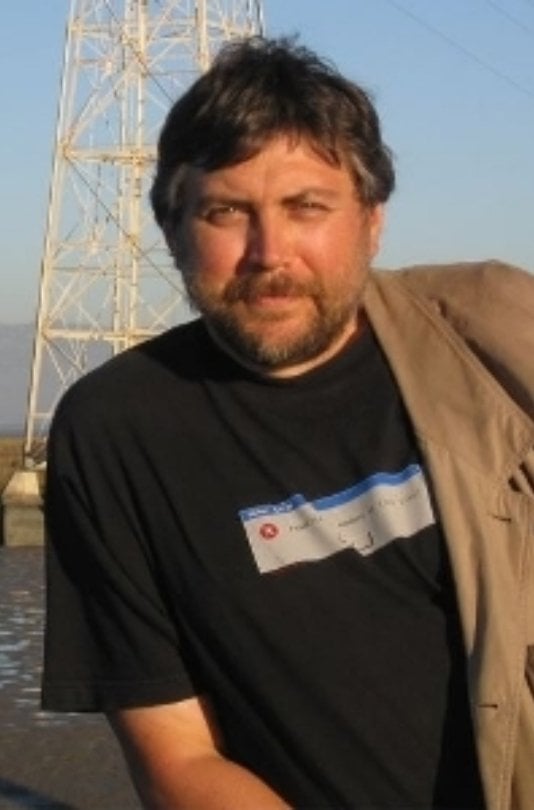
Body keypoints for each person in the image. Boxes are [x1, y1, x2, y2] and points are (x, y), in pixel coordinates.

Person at [41, 35, 534, 810]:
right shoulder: (118, 430)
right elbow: (178, 758)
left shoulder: (493, 345)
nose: (270, 253)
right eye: (226, 211)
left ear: (371, 220)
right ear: (172, 229)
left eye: (307, 207)